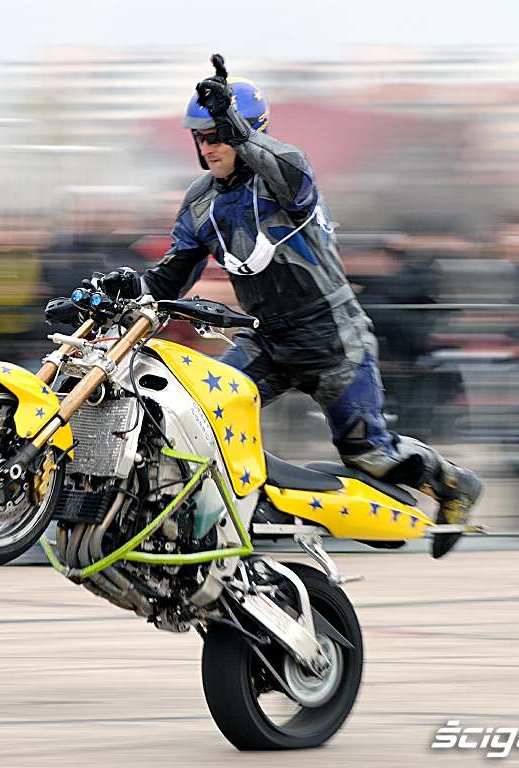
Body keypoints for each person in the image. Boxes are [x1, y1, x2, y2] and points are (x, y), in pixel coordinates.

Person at [136, 62, 482, 557]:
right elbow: (170, 277)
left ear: (246, 132)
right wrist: (121, 288)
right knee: (200, 415)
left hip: (331, 337)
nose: (209, 147)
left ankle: (452, 483)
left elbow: (283, 169)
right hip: (266, 340)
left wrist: (234, 125)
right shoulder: (199, 202)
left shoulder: (287, 174)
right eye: (201, 137)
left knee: (370, 455)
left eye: (218, 136)